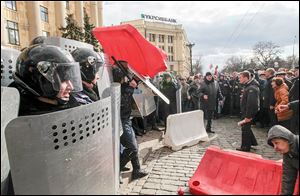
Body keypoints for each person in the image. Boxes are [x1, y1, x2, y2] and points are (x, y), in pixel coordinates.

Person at [9, 44, 82, 116]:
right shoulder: (20, 120)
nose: (71, 87)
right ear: (40, 79)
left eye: (69, 78)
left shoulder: (70, 102)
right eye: (63, 80)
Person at [112, 60, 148, 180]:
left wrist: (134, 82)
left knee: (134, 144)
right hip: (120, 121)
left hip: (126, 119)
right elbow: (121, 96)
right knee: (132, 147)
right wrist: (131, 86)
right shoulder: (116, 86)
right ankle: (116, 169)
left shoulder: (125, 85)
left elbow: (131, 89)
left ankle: (136, 169)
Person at [267, 125, 299, 195]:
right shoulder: (288, 154)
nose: (275, 147)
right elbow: (288, 180)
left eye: (276, 143)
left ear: (287, 140)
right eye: (273, 144)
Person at [236, 71, 259, 152]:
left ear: (246, 78)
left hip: (248, 112)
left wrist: (248, 116)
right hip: (246, 111)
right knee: (246, 128)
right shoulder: (248, 86)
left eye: (240, 77)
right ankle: (252, 142)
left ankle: (245, 147)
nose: (239, 79)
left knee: (245, 129)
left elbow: (252, 104)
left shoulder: (251, 88)